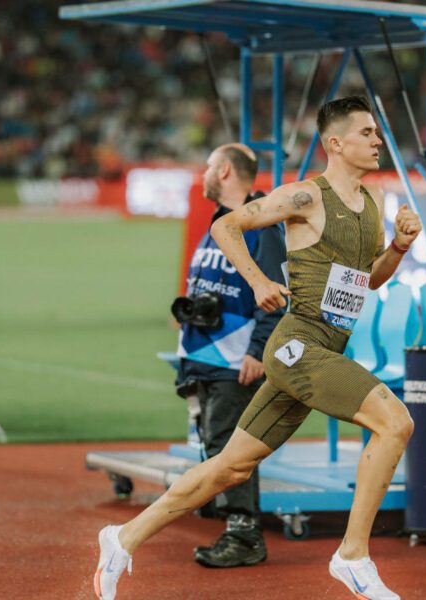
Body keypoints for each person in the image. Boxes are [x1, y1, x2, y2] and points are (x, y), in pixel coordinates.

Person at [93, 96, 421, 600]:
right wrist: (257, 280)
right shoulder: (305, 197)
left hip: (324, 348)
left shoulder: (371, 204)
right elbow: (225, 225)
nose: (378, 140)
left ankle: (122, 538)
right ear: (336, 142)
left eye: (378, 133)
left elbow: (369, 281)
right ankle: (353, 555)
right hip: (297, 346)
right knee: (396, 422)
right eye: (368, 132)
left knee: (231, 467)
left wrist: (398, 247)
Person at [175, 143, 286, 567]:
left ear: (223, 171)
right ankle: (232, 522)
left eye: (207, 167)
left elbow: (277, 293)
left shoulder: (260, 226)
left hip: (235, 359)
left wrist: (258, 351)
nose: (202, 175)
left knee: (229, 450)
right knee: (215, 444)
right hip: (206, 356)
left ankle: (244, 535)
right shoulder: (219, 223)